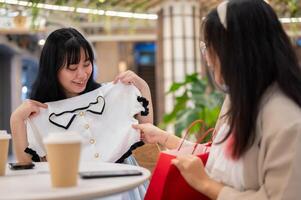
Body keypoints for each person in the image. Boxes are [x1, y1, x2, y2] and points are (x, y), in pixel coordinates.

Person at [133, 0, 301, 199]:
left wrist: (205, 183)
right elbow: (219, 157)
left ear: (238, 52)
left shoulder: (287, 120)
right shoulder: (238, 99)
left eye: (210, 48)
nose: (208, 60)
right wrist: (162, 137)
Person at [10, 27, 153, 199]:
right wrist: (16, 119)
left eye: (87, 64)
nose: (82, 74)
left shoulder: (108, 95)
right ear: (53, 69)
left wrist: (143, 87)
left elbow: (148, 132)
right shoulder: (41, 112)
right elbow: (26, 168)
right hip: (78, 191)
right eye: (72, 67)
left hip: (124, 187)